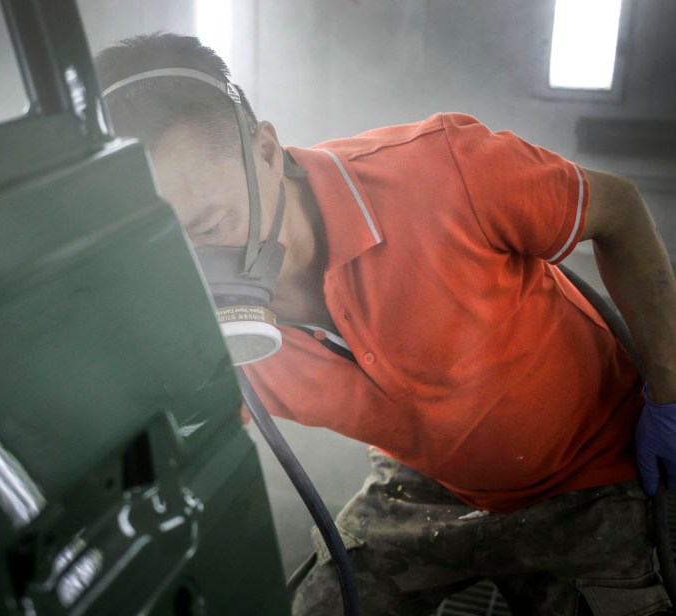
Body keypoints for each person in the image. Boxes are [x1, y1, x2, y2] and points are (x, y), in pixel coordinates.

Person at [95, 32, 676, 615]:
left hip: (592, 476)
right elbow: (176, 456)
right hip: (424, 489)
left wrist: (671, 392)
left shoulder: (443, 172)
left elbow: (618, 209)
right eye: (166, 245)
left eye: (209, 225)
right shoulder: (185, 322)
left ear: (266, 152)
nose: (197, 269)